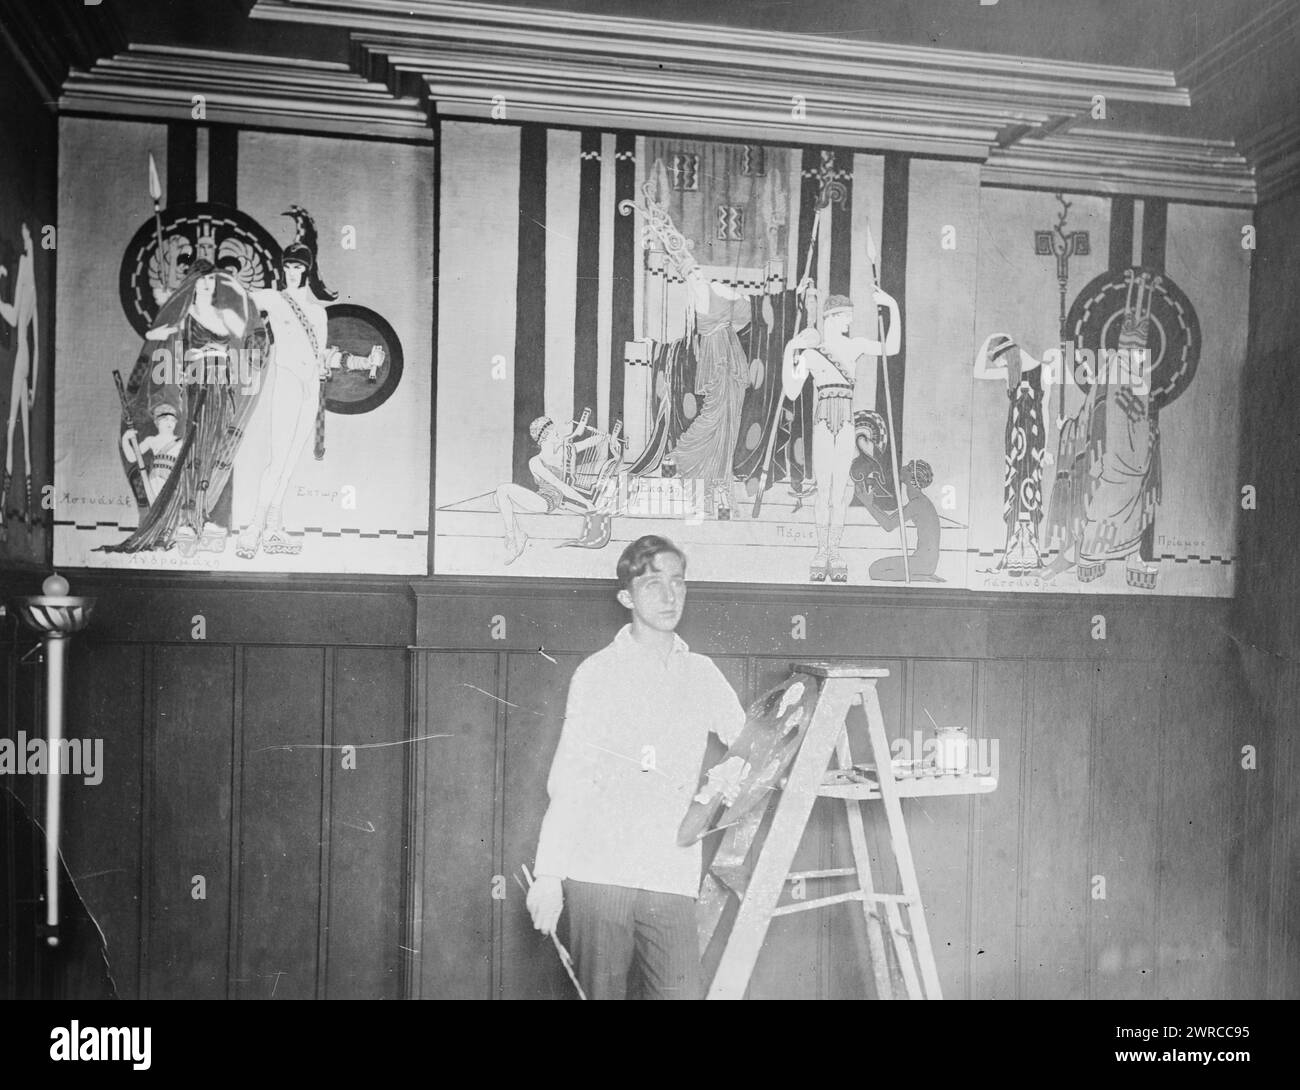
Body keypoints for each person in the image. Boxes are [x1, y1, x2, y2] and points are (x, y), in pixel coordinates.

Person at [526, 535, 746, 999]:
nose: (669, 597)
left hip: (671, 872)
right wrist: (549, 876)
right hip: (599, 876)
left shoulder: (701, 673)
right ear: (626, 596)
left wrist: (727, 781)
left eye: (678, 583)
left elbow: (749, 744)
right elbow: (569, 780)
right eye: (652, 585)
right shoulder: (597, 673)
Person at [102, 259, 269, 556]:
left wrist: (224, 349)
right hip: (193, 389)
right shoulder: (185, 315)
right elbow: (156, 338)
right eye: (200, 280)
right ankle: (187, 521)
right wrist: (166, 315)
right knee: (190, 452)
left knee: (219, 452)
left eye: (210, 281)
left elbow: (243, 342)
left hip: (221, 389)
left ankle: (216, 521)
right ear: (191, 284)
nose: (206, 285)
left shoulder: (225, 313)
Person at [782, 283, 900, 581]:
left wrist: (893, 306)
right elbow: (792, 391)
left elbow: (893, 348)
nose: (850, 322)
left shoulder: (855, 345)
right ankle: (821, 551)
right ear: (833, 316)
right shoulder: (812, 353)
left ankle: (835, 551)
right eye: (846, 316)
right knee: (824, 491)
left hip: (846, 425)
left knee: (840, 493)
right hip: (823, 424)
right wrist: (790, 348)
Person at [239, 241, 331, 559]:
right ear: (283, 268)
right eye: (288, 266)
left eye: (298, 267)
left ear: (308, 270)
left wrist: (365, 362)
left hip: (311, 389)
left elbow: (323, 358)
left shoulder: (318, 313)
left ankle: (274, 528)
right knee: (277, 461)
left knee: (290, 463)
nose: (292, 272)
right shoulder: (274, 299)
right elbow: (241, 301)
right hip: (288, 380)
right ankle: (252, 529)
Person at [668, 258, 751, 519]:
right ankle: (680, 457)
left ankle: (721, 491)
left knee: (729, 425)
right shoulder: (695, 299)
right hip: (718, 357)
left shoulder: (713, 288)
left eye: (695, 271)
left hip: (729, 355)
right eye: (689, 275)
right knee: (714, 418)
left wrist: (734, 303)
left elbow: (746, 311)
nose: (696, 277)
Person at [494, 415, 599, 563]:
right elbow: (558, 484)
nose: (558, 434)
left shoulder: (564, 453)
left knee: (502, 490)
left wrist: (604, 437)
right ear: (544, 438)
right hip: (541, 499)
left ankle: (511, 537)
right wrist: (586, 503)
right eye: (554, 433)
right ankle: (518, 535)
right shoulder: (535, 462)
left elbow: (587, 443)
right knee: (498, 497)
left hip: (548, 502)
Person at [0, 222, 38, 541]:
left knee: (12, 430)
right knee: (21, 434)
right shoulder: (33, 284)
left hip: (17, 358)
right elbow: (35, 342)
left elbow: (12, 318)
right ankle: (26, 510)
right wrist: (33, 388)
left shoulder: (25, 278)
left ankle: (5, 505)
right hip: (24, 358)